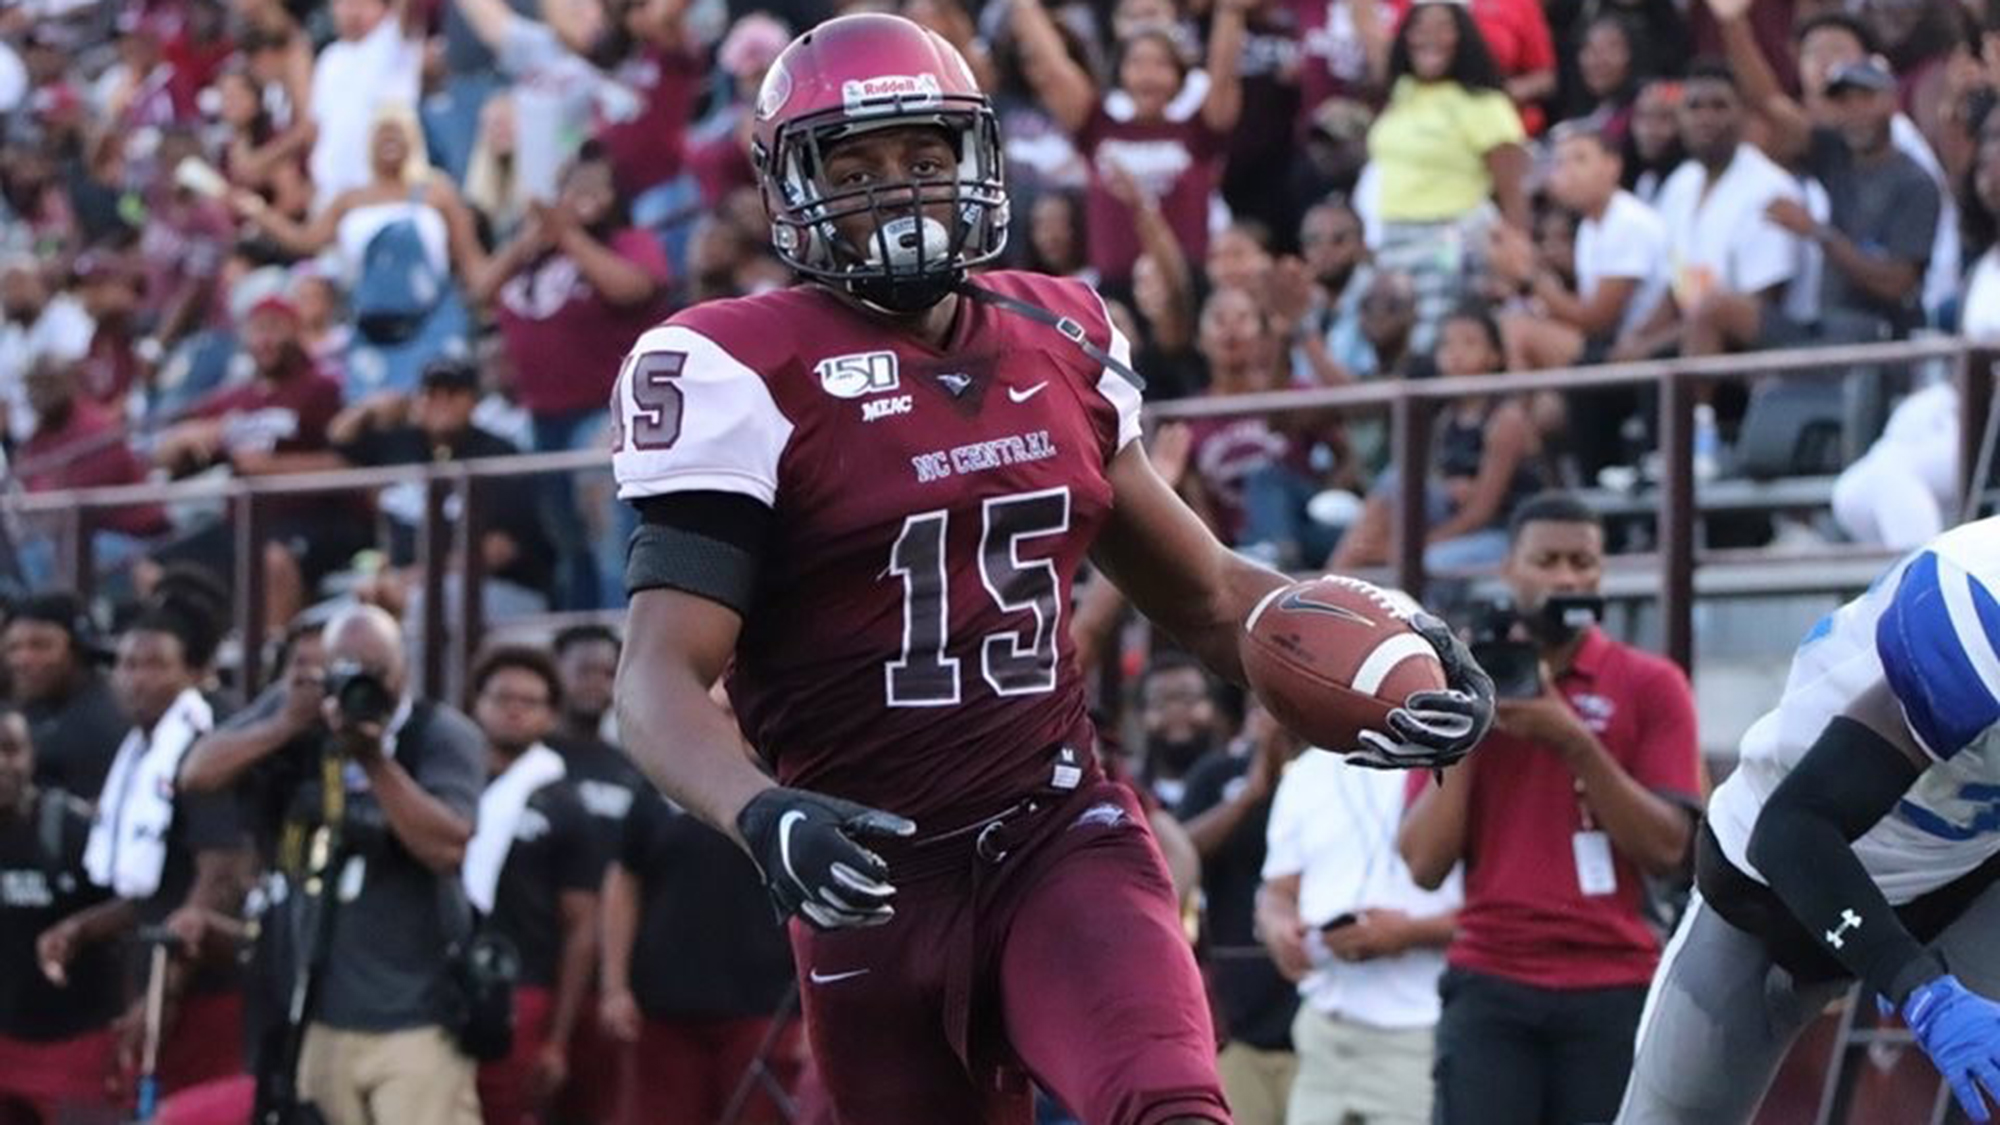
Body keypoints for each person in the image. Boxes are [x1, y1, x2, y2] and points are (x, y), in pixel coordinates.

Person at [610, 14, 1495, 1124]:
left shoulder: (1059, 332)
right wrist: (760, 811)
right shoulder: (733, 364)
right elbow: (653, 681)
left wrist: (1393, 646)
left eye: (925, 158)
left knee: (1169, 1103)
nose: (898, 188)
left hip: (1055, 829)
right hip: (865, 875)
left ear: (976, 162)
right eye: (857, 164)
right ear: (791, 184)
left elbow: (1211, 596)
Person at [1615, 515, 2000, 1124]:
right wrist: (1922, 996)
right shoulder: (1980, 598)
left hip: (1970, 872)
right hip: (1784, 883)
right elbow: (1793, 828)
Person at [1399, 494, 1702, 1125]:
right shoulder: (1454, 683)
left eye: (1583, 563)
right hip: (1491, 981)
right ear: (1509, 568)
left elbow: (1672, 852)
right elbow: (1424, 866)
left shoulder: (1651, 683)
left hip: (1615, 982)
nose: (1567, 578)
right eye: (1548, 561)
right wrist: (1473, 720)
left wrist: (1573, 742)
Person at [176, 605, 484, 1125]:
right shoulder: (301, 711)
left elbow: (447, 848)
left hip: (418, 1018)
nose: (363, 684)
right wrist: (284, 724)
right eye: (348, 668)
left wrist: (373, 759)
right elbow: (197, 774)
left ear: (402, 669)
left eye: (376, 670)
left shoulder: (439, 732)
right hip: (318, 1011)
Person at [1257, 727, 1460, 1125]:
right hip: (1323, 1031)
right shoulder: (1305, 771)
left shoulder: (1453, 763)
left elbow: (1507, 915)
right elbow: (1277, 890)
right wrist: (1277, 925)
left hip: (1418, 1032)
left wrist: (1408, 933)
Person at [465, 647, 600, 1125]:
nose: (515, 708)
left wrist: (558, 1040)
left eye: (531, 700)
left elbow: (582, 927)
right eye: (503, 696)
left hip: (520, 989)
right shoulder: (443, 787)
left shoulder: (565, 804)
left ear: (549, 715)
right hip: (433, 983)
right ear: (476, 703)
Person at [1364, 0, 1529, 352]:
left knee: (1433, 344)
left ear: (1463, 37)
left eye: (1443, 27)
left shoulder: (1486, 105)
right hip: (1393, 238)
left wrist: (1515, 262)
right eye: (1419, 28)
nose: (1430, 37)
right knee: (1386, 344)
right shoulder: (1402, 93)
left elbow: (1513, 194)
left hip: (1451, 239)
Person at [1623, 61, 1805, 362]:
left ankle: (1699, 410)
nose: (1706, 118)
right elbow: (1678, 286)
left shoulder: (1769, 187)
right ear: (1680, 118)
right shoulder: (1681, 183)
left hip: (1763, 346)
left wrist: (1649, 347)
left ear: (1744, 114)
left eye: (1719, 107)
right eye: (1694, 108)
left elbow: (1760, 304)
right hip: (1688, 338)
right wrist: (1636, 340)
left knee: (1706, 318)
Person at [1176, 705, 1305, 1125]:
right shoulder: (1215, 775)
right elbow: (1176, 858)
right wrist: (1248, 796)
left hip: (1324, 1021)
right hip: (1237, 1028)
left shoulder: (1344, 774)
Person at [0, 702, 124, 1123]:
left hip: (76, 1044)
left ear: (31, 754)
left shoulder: (70, 828)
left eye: (10, 749)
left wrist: (82, 929)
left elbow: (139, 902)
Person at [3, 592, 125, 802]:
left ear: (76, 649)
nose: (23, 659)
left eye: (40, 645)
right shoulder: (36, 704)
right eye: (14, 648)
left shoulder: (104, 716)